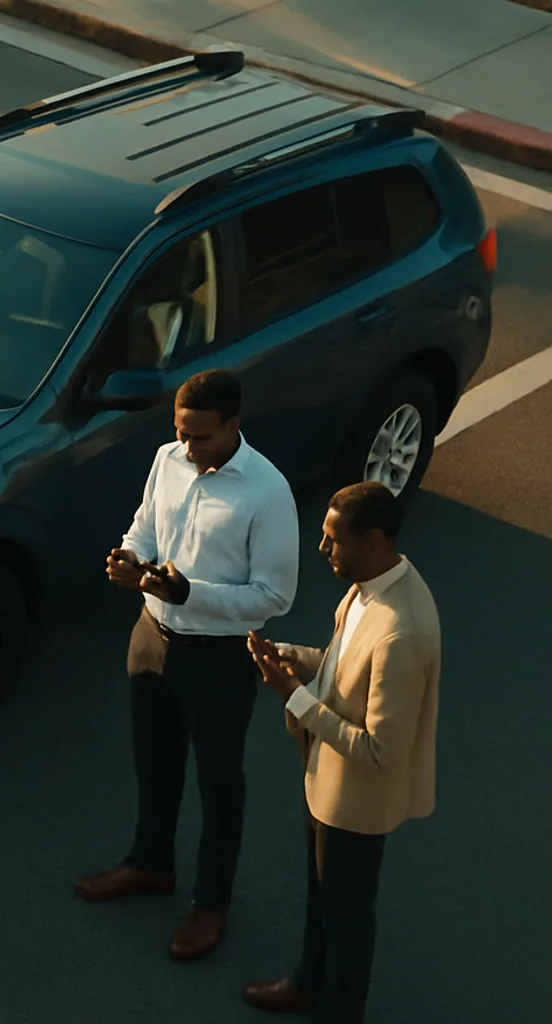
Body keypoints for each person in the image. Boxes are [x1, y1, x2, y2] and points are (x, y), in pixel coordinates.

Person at [76, 368, 299, 962]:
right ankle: (149, 865)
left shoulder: (269, 493)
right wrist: (130, 558)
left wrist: (189, 594)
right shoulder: (167, 458)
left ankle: (210, 903)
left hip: (217, 657)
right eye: (181, 432)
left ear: (233, 425)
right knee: (155, 763)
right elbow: (146, 525)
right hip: (149, 637)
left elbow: (275, 597)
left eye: (200, 436)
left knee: (219, 784)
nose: (187, 446)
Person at [242, 482, 440, 1021]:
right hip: (326, 783)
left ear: (373, 540)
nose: (323, 549)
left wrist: (295, 697)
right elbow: (342, 663)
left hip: (356, 804)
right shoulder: (368, 585)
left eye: (333, 540)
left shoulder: (401, 633)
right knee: (323, 900)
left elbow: (380, 751)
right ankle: (307, 982)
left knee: (347, 918)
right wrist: (293, 657)